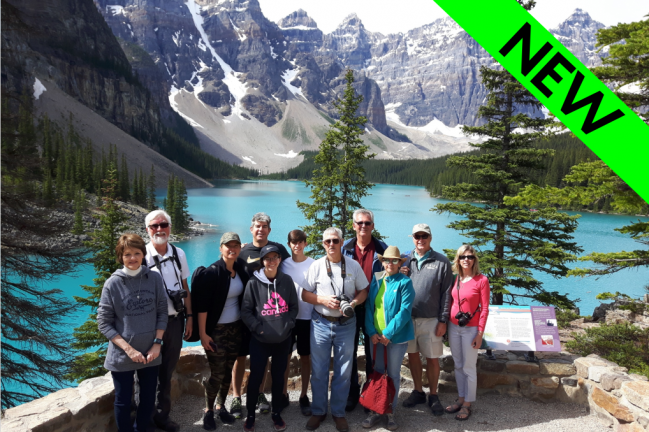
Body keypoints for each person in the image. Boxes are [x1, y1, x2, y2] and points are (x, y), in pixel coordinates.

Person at [98, 234, 167, 432]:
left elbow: (162, 312)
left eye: (137, 253)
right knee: (122, 401)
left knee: (147, 398)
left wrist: (157, 343)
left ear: (143, 254)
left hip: (150, 352)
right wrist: (129, 350)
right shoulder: (112, 284)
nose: (133, 258)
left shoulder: (154, 278)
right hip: (122, 355)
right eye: (127, 254)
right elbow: (104, 323)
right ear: (121, 257)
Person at [302, 227, 369, 432]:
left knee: (344, 371)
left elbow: (364, 290)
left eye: (335, 241)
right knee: (319, 370)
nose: (331, 244)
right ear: (323, 244)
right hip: (320, 323)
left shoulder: (353, 265)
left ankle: (338, 413)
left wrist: (354, 303)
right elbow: (305, 294)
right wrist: (322, 299)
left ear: (341, 242)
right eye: (327, 241)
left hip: (346, 325)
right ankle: (319, 411)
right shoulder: (316, 266)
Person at [231, 212, 292, 417]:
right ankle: (237, 397)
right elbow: (230, 272)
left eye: (264, 226)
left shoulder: (279, 249)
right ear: (251, 228)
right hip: (245, 313)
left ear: (269, 229)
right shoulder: (242, 251)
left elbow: (290, 270)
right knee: (240, 356)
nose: (261, 229)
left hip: (270, 315)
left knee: (263, 358)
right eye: (257, 226)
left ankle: (258, 393)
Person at [191, 232, 250, 430]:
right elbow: (202, 307)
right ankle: (208, 411)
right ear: (221, 248)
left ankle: (220, 406)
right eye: (228, 245)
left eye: (236, 245)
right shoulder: (212, 273)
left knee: (227, 372)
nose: (232, 249)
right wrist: (203, 334)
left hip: (236, 328)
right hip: (215, 331)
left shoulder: (240, 269)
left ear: (240, 248)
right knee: (216, 374)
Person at [144, 210, 193, 432]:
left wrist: (189, 317)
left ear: (170, 227)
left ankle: (163, 417)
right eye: (154, 226)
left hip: (175, 321)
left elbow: (185, 287)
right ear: (147, 230)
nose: (159, 229)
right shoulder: (141, 255)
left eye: (163, 224)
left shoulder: (178, 253)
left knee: (167, 371)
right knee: (146, 373)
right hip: (150, 325)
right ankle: (145, 420)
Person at [241, 245, 299, 432]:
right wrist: (259, 329)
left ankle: (276, 413)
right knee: (256, 377)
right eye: (268, 258)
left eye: (275, 257)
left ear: (280, 260)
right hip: (260, 340)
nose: (271, 261)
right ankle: (250, 414)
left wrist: (287, 325)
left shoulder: (287, 281)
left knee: (278, 378)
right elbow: (246, 311)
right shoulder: (253, 283)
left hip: (283, 340)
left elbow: (293, 307)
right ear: (262, 261)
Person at [399, 223, 452, 416]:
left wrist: (443, 320)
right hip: (408, 318)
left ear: (430, 238)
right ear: (412, 238)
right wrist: (398, 272)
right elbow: (390, 280)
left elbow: (447, 293)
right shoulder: (405, 260)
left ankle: (434, 394)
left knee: (432, 359)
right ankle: (418, 391)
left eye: (424, 236)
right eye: (417, 236)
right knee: (412, 356)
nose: (420, 240)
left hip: (431, 319)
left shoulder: (442, 262)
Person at [362, 246, 415, 431]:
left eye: (394, 260)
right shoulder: (377, 280)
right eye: (387, 260)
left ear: (400, 263)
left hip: (395, 338)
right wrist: (371, 332)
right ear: (382, 262)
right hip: (375, 337)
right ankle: (376, 410)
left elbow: (405, 311)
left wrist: (388, 334)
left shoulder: (405, 282)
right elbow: (369, 307)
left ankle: (390, 411)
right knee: (377, 374)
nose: (390, 264)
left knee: (392, 375)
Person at [341, 209, 387, 411]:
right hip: (351, 307)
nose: (363, 226)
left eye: (367, 223)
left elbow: (392, 274)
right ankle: (352, 391)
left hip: (373, 309)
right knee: (349, 351)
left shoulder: (382, 249)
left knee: (373, 353)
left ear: (373, 226)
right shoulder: (344, 249)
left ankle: (370, 393)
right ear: (353, 225)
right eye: (359, 223)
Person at [444, 245, 490, 421]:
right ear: (458, 259)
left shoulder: (481, 280)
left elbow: (485, 308)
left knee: (469, 367)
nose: (466, 260)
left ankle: (467, 404)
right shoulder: (456, 279)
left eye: (470, 257)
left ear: (474, 260)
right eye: (463, 256)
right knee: (457, 365)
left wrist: (480, 334)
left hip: (471, 329)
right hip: (454, 327)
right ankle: (461, 397)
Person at [280, 229, 315, 416]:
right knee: (284, 356)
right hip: (287, 318)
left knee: (305, 357)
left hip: (307, 318)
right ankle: (284, 393)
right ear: (289, 245)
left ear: (305, 244)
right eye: (294, 242)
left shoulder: (314, 264)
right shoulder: (283, 264)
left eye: (301, 242)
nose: (297, 245)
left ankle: (303, 395)